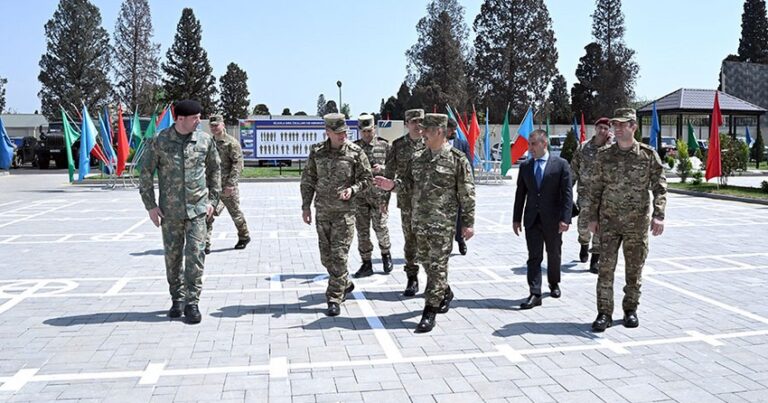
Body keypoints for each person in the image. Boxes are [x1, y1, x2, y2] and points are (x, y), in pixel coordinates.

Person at [374, 113, 475, 333]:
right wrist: (391, 186)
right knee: (428, 265)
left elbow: (467, 193)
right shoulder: (418, 158)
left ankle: (429, 311)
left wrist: (468, 223)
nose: (423, 134)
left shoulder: (457, 159)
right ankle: (445, 292)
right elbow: (407, 183)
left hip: (443, 224)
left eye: (427, 130)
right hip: (419, 222)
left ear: (439, 131)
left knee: (437, 266)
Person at [139, 100, 221, 324]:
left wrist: (213, 200)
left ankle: (192, 302)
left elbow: (215, 170)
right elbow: (145, 173)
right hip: (170, 212)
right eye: (195, 118)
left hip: (198, 211)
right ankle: (177, 298)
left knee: (195, 255)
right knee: (173, 258)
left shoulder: (204, 140)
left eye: (199, 117)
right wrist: (151, 205)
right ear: (180, 118)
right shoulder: (160, 141)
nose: (198, 121)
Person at [588, 108, 667, 332]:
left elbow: (660, 187)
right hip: (609, 222)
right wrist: (592, 217)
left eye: (623, 124)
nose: (618, 128)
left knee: (634, 270)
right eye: (615, 124)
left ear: (634, 126)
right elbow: (596, 189)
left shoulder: (648, 155)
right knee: (605, 269)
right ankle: (604, 313)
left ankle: (630, 309)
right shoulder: (604, 156)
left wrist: (658, 215)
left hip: (637, 224)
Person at [300, 113, 372, 317]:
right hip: (322, 211)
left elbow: (367, 178)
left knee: (339, 256)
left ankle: (333, 297)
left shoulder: (355, 152)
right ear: (328, 133)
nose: (343, 136)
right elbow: (308, 180)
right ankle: (345, 283)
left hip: (345, 214)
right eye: (338, 133)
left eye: (345, 132)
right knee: (327, 258)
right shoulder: (317, 152)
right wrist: (305, 206)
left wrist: (354, 189)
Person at [513, 129, 573, 310]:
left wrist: (565, 219)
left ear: (544, 144)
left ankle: (554, 283)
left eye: (533, 144)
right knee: (534, 256)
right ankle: (535, 292)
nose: (530, 148)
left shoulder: (560, 165)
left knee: (554, 254)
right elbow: (520, 194)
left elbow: (567, 194)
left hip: (553, 220)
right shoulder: (525, 166)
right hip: (532, 219)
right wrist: (516, 219)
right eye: (529, 144)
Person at [384, 109, 425, 296]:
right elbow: (389, 174)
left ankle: (436, 281)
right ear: (406, 124)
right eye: (413, 121)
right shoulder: (398, 145)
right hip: (407, 201)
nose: (417, 125)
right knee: (410, 240)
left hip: (429, 202)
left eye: (420, 121)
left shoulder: (432, 142)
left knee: (430, 242)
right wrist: (384, 200)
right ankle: (412, 278)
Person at [352, 114, 393, 277]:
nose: (367, 134)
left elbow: (392, 170)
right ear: (360, 131)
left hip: (379, 197)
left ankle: (386, 254)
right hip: (361, 197)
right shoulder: (354, 148)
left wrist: (382, 168)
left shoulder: (384, 145)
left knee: (380, 227)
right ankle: (366, 263)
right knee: (362, 231)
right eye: (364, 132)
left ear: (374, 128)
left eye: (369, 131)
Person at [571, 117, 612, 273]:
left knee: (600, 229)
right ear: (595, 128)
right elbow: (573, 170)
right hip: (585, 196)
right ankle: (583, 244)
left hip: (604, 197)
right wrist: (567, 193)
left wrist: (610, 144)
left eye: (606, 128)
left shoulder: (612, 150)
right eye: (600, 127)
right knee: (583, 226)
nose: (602, 131)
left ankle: (595, 259)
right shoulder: (583, 148)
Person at [204, 114, 250, 254]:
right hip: (213, 187)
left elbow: (238, 164)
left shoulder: (231, 143)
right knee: (207, 214)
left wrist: (231, 184)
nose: (214, 128)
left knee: (235, 213)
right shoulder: (209, 142)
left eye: (216, 125)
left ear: (223, 125)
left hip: (227, 187)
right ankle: (205, 243)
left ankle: (244, 236)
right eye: (211, 125)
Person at [447, 118, 470, 256]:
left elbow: (469, 165)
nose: (454, 132)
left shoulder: (462, 144)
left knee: (460, 216)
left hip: (459, 187)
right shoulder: (435, 145)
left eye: (455, 129)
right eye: (451, 129)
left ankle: (460, 240)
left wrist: (469, 185)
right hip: (443, 189)